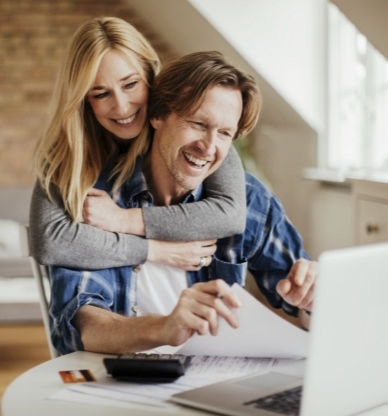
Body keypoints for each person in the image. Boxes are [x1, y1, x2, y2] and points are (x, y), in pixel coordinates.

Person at [47, 51, 317, 355]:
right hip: (121, 381)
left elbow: (302, 301)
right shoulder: (97, 203)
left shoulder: (249, 199)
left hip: (215, 381)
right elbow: (84, 325)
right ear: (157, 115)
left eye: (225, 133)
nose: (209, 147)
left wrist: (311, 299)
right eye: (198, 123)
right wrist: (164, 327)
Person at [30, 17, 250, 272]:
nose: (122, 107)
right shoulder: (68, 152)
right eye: (101, 94)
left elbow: (230, 214)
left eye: (131, 84)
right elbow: (50, 242)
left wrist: (123, 220)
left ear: (150, 75)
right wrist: (156, 250)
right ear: (83, 100)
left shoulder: (189, 128)